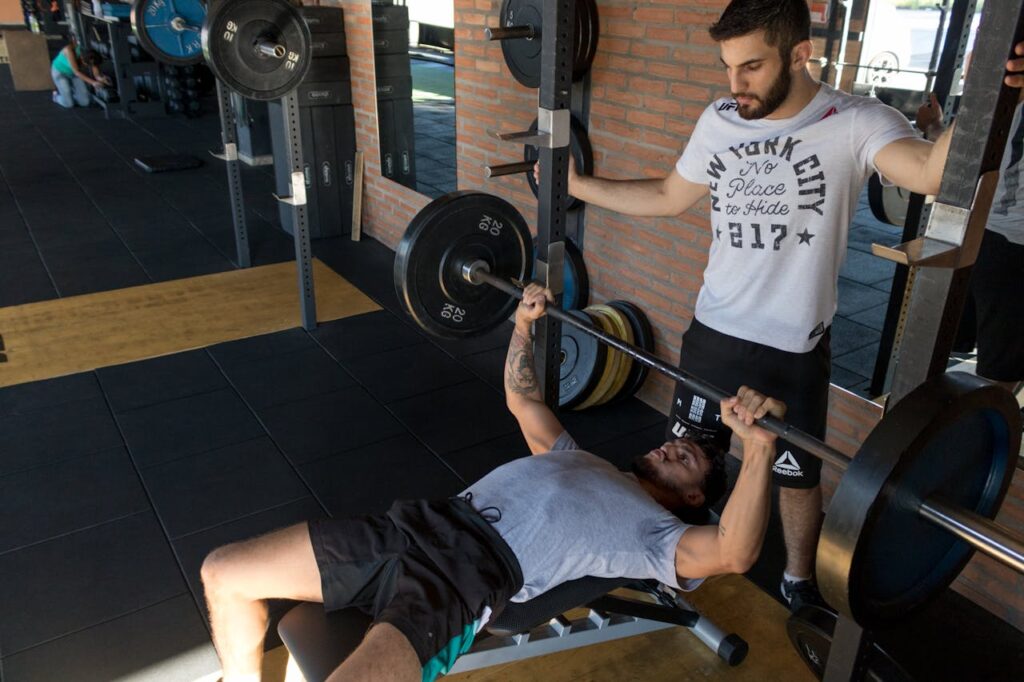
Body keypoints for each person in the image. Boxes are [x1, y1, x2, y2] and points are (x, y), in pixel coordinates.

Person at [536, 0, 1024, 611]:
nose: (734, 85)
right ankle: (668, 559)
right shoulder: (719, 118)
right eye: (727, 67)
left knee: (798, 477)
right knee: (683, 461)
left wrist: (983, 99)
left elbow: (928, 171)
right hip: (711, 332)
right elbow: (667, 195)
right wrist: (577, 185)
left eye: (752, 67)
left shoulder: (852, 120)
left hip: (792, 346)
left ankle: (798, 580)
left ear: (800, 54)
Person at [199, 283, 788, 682]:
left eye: (684, 460)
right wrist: (524, 326)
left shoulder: (657, 537)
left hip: (463, 581)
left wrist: (758, 448)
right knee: (224, 572)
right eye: (673, 442)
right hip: (410, 526)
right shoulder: (575, 457)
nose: (668, 446)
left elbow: (735, 551)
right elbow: (522, 398)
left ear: (691, 499)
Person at [917, 91, 1024, 395]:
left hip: (997, 239)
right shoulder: (1002, 100)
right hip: (999, 241)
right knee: (999, 366)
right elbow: (955, 163)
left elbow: (957, 163)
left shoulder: (1003, 100)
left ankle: (980, 430)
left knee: (998, 365)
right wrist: (936, 128)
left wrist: (935, 128)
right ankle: (979, 431)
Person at [51, 37, 110, 109]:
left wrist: (100, 78)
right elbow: (77, 72)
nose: (86, 66)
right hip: (60, 73)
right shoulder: (69, 50)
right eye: (86, 64)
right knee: (69, 104)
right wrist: (93, 83)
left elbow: (94, 67)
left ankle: (69, 93)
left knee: (85, 102)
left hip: (73, 74)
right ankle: (56, 96)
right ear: (82, 58)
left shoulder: (90, 54)